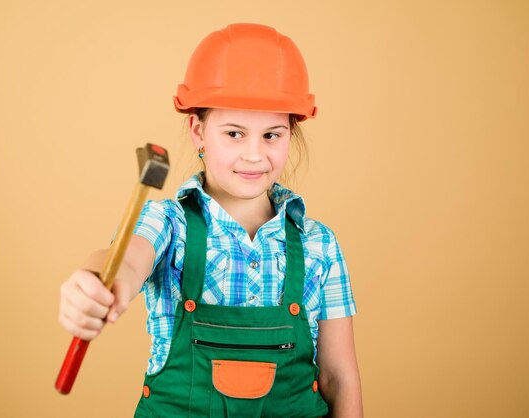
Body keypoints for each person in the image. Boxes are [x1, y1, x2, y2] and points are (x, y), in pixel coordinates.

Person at [58, 23, 363, 417]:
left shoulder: (319, 244)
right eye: (234, 133)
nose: (255, 155)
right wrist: (93, 284)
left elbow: (340, 377)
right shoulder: (170, 224)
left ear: (291, 131)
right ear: (198, 131)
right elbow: (126, 261)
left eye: (272, 135)